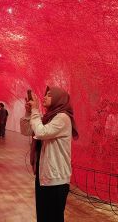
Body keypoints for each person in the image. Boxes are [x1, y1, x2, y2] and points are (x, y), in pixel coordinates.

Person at [20, 86, 79, 222]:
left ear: (59, 99)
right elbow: (26, 130)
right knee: (43, 216)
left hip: (56, 178)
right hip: (44, 175)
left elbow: (41, 132)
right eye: (45, 94)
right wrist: (29, 113)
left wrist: (35, 111)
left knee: (53, 218)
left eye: (50, 95)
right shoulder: (48, 118)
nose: (44, 97)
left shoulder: (63, 117)